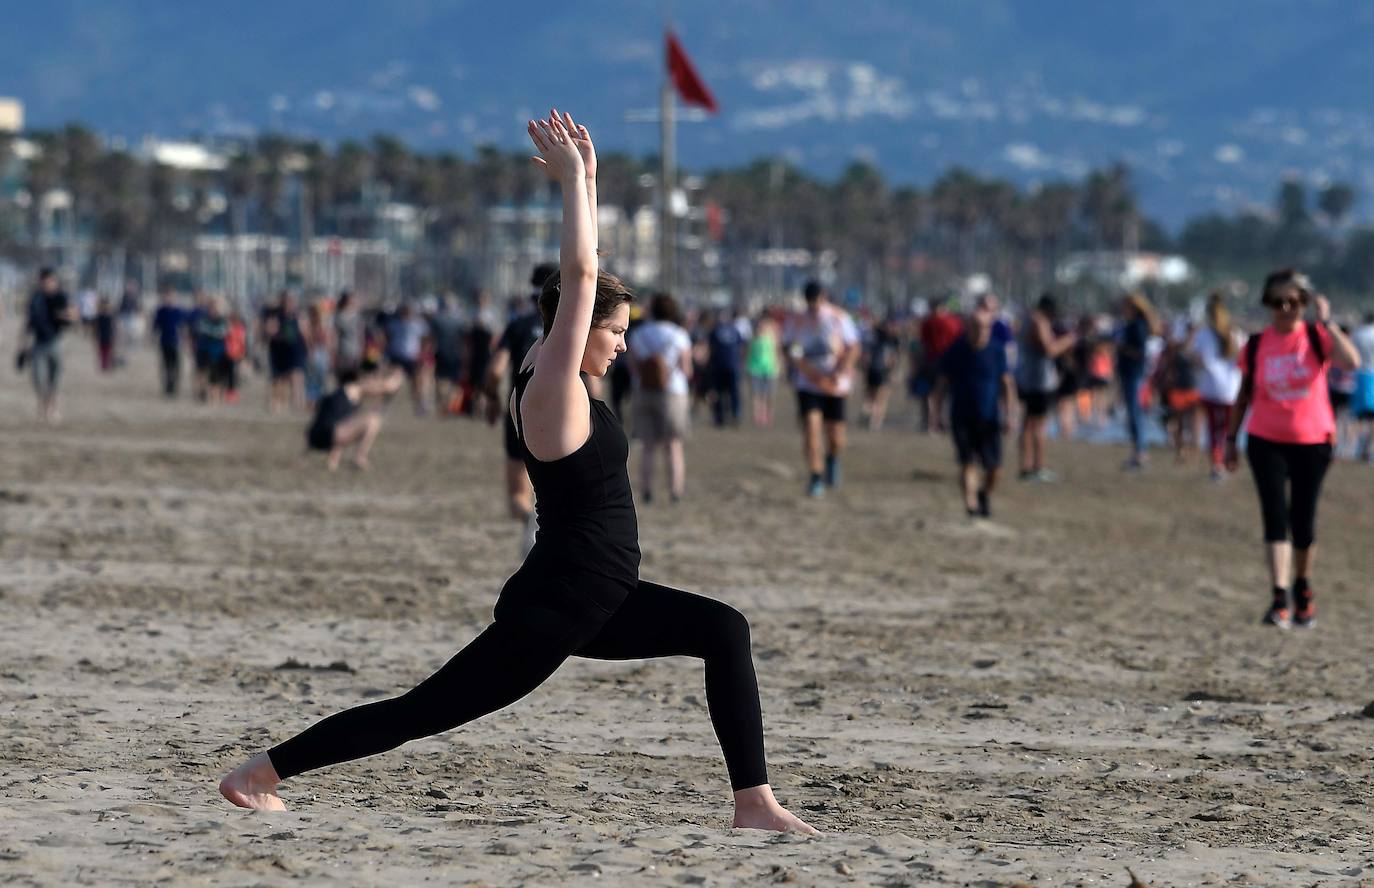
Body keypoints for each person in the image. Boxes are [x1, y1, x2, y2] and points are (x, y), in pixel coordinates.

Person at [219, 109, 816, 835]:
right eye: (615, 332)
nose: (624, 347)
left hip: (604, 592)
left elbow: (582, 285)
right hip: (559, 605)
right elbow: (581, 274)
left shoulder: (556, 368)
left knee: (724, 628)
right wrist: (573, 186)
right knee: (423, 711)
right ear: (578, 327)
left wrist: (590, 180)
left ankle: (752, 801)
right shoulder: (552, 387)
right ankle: (258, 774)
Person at [1225, 269, 1360, 629]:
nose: (1285, 309)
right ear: (1267, 304)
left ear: (1305, 303)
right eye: (1277, 302)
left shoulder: (1317, 337)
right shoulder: (1256, 345)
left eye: (1294, 302)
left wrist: (1327, 322)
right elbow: (1242, 396)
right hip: (1264, 440)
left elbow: (1352, 362)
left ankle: (1303, 587)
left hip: (1313, 442)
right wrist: (1229, 440)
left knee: (1303, 520)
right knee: (1275, 517)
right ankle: (1278, 598)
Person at [486, 265, 552, 555]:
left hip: (522, 411)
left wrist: (492, 399)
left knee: (517, 493)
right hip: (562, 413)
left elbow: (495, 371)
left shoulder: (519, 325)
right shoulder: (570, 329)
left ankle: (529, 520)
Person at [931, 296, 1016, 518]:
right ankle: (970, 504)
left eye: (985, 328)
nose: (981, 332)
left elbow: (1007, 384)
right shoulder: (956, 350)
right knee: (967, 462)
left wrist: (1010, 415)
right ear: (968, 326)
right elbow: (941, 385)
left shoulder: (997, 351)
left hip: (989, 417)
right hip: (961, 415)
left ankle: (983, 495)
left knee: (994, 468)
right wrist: (936, 415)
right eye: (977, 327)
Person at [785, 282, 861, 497]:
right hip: (808, 384)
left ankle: (832, 458)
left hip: (835, 385)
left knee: (836, 437)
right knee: (811, 428)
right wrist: (805, 369)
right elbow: (790, 348)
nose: (814, 306)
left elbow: (854, 346)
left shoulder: (839, 318)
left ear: (824, 297)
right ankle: (815, 476)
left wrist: (843, 369)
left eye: (817, 301)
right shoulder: (798, 320)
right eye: (810, 302)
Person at [629, 292, 693, 503]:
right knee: (673, 445)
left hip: (644, 391)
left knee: (647, 445)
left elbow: (633, 366)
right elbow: (687, 369)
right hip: (673, 392)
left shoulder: (639, 334)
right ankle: (675, 491)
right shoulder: (679, 335)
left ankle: (647, 490)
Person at [1015, 294, 1076, 481]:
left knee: (1028, 423)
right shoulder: (1039, 322)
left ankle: (1026, 466)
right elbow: (1049, 349)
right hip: (1039, 380)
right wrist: (1067, 341)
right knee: (1039, 425)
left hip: (1027, 378)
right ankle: (1037, 466)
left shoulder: (1026, 320)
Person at [305, 367, 405, 471]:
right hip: (327, 434)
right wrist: (395, 380)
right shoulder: (353, 388)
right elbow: (383, 387)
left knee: (346, 421)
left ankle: (332, 462)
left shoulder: (340, 393)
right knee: (373, 420)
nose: (371, 380)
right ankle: (360, 458)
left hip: (315, 436)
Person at [1190, 293, 1244, 481]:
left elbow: (1196, 359)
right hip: (1232, 391)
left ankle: (1216, 465)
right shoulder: (1236, 334)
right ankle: (1227, 461)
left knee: (1214, 430)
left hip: (1210, 390)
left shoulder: (1203, 335)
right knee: (1230, 431)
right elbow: (1244, 362)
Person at [16, 268, 76, 424]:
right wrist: (22, 345)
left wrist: (62, 315)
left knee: (55, 379)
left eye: (49, 281)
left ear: (54, 281)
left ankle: (53, 409)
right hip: (38, 343)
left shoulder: (61, 296)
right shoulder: (36, 298)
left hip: (56, 341)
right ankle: (44, 407)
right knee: (39, 379)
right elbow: (28, 322)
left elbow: (74, 315)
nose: (46, 285)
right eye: (43, 282)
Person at [1117, 293, 1159, 470]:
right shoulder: (1135, 325)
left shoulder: (1137, 326)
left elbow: (1141, 352)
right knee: (1134, 413)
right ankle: (1138, 452)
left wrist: (1122, 348)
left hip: (1134, 373)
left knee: (1135, 413)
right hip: (1131, 373)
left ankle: (1141, 452)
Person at [914, 299, 963, 433]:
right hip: (948, 362)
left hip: (933, 361)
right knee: (944, 393)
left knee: (930, 392)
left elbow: (922, 344)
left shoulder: (928, 322)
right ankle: (940, 421)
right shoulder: (953, 321)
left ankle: (931, 422)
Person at [263, 291, 307, 413]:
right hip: (279, 351)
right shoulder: (276, 316)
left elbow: (304, 333)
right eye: (287, 301)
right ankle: (278, 404)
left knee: (296, 377)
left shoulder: (298, 316)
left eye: (291, 301)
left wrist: (308, 349)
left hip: (296, 350)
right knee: (278, 379)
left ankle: (297, 404)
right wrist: (276, 333)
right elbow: (269, 331)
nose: (290, 304)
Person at [706, 308, 746, 427]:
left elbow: (710, 349)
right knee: (733, 392)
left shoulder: (715, 330)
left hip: (720, 366)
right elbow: (741, 347)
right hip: (731, 365)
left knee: (720, 392)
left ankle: (721, 417)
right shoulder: (735, 329)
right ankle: (734, 415)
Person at [429, 292, 467, 416]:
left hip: (441, 352)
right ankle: (448, 405)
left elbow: (431, 338)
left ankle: (442, 405)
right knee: (454, 382)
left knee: (441, 380)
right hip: (455, 353)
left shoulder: (436, 319)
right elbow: (464, 339)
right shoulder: (459, 320)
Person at [861, 316, 901, 432]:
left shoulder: (874, 339)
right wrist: (895, 372)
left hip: (873, 370)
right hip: (882, 371)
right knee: (881, 398)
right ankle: (875, 421)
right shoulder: (892, 341)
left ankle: (871, 415)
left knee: (872, 396)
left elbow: (866, 357)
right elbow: (893, 359)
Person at [747, 311, 783, 427]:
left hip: (770, 368)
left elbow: (778, 352)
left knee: (770, 394)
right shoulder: (752, 337)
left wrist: (779, 364)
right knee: (757, 394)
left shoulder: (773, 337)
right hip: (755, 368)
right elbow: (747, 352)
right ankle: (758, 416)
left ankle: (769, 415)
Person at [150, 286, 186, 397]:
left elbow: (184, 326)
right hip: (164, 341)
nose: (169, 299)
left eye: (171, 296)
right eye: (167, 296)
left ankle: (174, 386)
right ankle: (167, 386)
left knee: (175, 365)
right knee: (166, 365)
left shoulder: (178, 311)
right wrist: (152, 337)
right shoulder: (161, 311)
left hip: (175, 341)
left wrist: (184, 338)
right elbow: (155, 326)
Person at [1352, 311, 1374, 461]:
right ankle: (1368, 447)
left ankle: (1358, 446)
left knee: (1358, 417)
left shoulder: (1356, 333)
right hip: (1372, 374)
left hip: (1357, 376)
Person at [94, 297, 117, 372]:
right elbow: (97, 327)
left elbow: (113, 327)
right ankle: (103, 365)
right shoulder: (100, 316)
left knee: (108, 351)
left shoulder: (110, 315)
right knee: (102, 352)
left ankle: (107, 365)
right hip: (102, 336)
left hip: (108, 336)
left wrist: (114, 335)